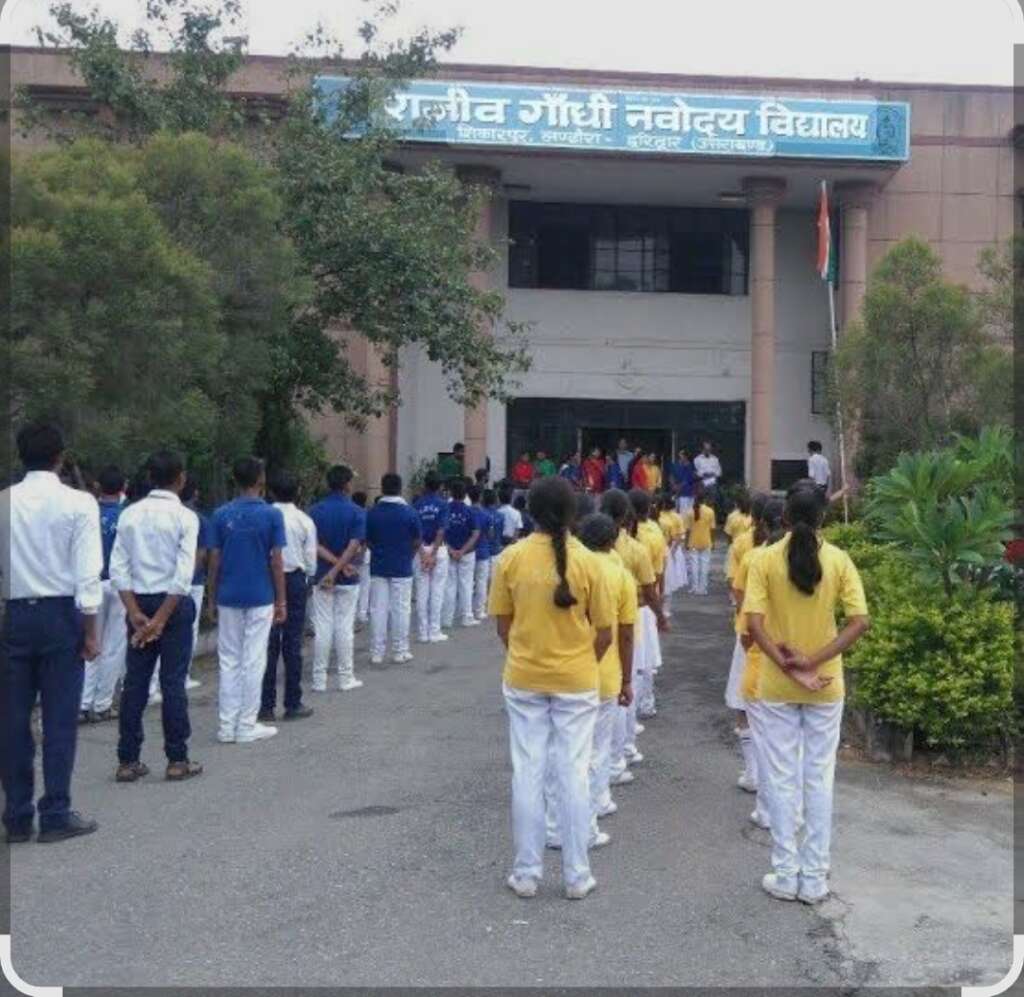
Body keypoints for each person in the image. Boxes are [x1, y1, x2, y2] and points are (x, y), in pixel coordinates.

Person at [489, 477, 615, 901]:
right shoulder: (590, 563)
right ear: (573, 513)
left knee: (528, 772)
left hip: (524, 677)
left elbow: (503, 626)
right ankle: (577, 875)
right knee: (573, 772)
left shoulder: (510, 558)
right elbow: (604, 632)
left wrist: (526, 656)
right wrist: (580, 662)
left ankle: (526, 873)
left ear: (530, 512)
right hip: (577, 680)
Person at [745, 486, 870, 905]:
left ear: (783, 517)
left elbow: (754, 625)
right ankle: (814, 878)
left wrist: (789, 666)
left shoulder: (763, 559)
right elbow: (859, 621)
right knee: (819, 779)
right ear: (823, 518)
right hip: (826, 684)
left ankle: (785, 873)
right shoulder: (839, 560)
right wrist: (813, 662)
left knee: (780, 779)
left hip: (777, 684)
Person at [1, 421, 102, 844]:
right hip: (61, 614)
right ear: (60, 457)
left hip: (15, 613)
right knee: (59, 718)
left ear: (21, 455)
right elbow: (87, 574)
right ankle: (56, 811)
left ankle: (17, 815)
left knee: (12, 719)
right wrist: (91, 630)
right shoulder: (78, 503)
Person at [110, 450, 202, 783]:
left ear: (150, 478)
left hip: (138, 602)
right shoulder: (185, 517)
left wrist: (135, 612)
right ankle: (177, 759)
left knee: (135, 682)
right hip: (172, 606)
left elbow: (118, 569)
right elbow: (183, 575)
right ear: (180, 479)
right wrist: (161, 620)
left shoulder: (129, 515)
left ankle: (127, 759)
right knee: (172, 681)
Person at [208, 457, 287, 744]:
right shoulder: (272, 515)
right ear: (260, 480)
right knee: (254, 658)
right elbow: (276, 561)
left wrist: (211, 597)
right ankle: (246, 723)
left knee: (229, 658)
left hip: (228, 594)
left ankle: (226, 725)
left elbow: (214, 560)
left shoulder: (220, 514)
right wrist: (281, 600)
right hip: (260, 594)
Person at [576, 513, 635, 844]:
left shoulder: (572, 567)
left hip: (569, 672)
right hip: (606, 671)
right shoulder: (620, 574)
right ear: (613, 541)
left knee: (570, 751)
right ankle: (595, 805)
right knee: (599, 748)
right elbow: (625, 634)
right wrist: (627, 680)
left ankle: (563, 818)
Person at [727, 497, 783, 796]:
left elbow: (738, 595)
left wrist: (747, 628)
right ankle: (771, 778)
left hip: (752, 639)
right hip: (789, 645)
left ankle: (753, 773)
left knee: (745, 705)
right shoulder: (807, 557)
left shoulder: (752, 556)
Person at [259, 470, 316, 723]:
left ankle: (265, 705)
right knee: (293, 643)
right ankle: (293, 702)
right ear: (298, 492)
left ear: (270, 491)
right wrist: (308, 579)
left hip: (267, 579)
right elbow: (310, 559)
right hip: (294, 580)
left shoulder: (264, 516)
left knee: (267, 643)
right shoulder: (304, 520)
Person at [309, 466, 366, 692]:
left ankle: (319, 679)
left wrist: (332, 568)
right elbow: (354, 545)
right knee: (344, 627)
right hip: (347, 577)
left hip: (321, 575)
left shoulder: (315, 511)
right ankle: (345, 677)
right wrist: (340, 568)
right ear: (347, 484)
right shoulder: (356, 512)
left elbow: (314, 545)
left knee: (322, 627)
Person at [80, 465, 127, 723]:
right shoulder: (127, 515)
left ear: (98, 486)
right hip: (119, 584)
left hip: (92, 583)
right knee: (114, 646)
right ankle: (103, 703)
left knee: (91, 642)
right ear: (123, 488)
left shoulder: (88, 513)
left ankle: (83, 702)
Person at [366, 473, 422, 665]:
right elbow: (417, 540)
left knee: (378, 610)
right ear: (400, 488)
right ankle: (400, 650)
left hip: (379, 566)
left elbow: (368, 540)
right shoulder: (410, 513)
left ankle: (377, 652)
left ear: (382, 488)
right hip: (402, 566)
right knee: (401, 609)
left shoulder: (372, 513)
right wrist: (408, 555)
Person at [180, 476, 210, 691]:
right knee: (189, 629)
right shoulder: (200, 519)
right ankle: (183, 674)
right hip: (193, 581)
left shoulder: (169, 515)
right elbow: (203, 553)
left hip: (166, 581)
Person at [413, 471, 450, 643]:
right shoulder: (443, 504)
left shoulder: (416, 504)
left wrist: (423, 553)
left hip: (420, 549)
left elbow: (415, 532)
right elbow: (441, 530)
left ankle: (422, 632)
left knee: (421, 591)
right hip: (438, 549)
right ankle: (434, 631)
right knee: (437, 591)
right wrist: (433, 553)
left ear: (425, 485)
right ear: (440, 486)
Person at [443, 478, 481, 629]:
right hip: (467, 553)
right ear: (465, 494)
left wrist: (451, 550)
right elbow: (475, 533)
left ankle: (447, 619)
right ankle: (466, 617)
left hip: (449, 552)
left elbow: (441, 532)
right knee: (466, 584)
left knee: (449, 585)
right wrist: (463, 550)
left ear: (451, 493)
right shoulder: (470, 511)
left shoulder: (445, 509)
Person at [472, 487, 500, 621]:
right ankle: (479, 610)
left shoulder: (468, 512)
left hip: (466, 551)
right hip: (483, 551)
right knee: (481, 582)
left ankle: (464, 610)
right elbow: (491, 535)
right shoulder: (487, 516)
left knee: (466, 583)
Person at [684, 483, 716, 596]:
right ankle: (703, 588)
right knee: (704, 566)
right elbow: (712, 529)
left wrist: (686, 542)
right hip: (706, 541)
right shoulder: (710, 511)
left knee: (693, 566)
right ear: (705, 499)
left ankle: (694, 587)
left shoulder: (689, 512)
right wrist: (713, 542)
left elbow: (687, 530)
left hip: (693, 541)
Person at [351, 491, 371, 626]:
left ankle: (352, 614)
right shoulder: (367, 515)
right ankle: (362, 614)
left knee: (353, 585)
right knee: (365, 586)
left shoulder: (351, 513)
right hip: (365, 553)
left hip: (350, 553)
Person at [694, 440, 723, 509]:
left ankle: (711, 514)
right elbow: (695, 471)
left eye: (709, 449)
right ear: (702, 449)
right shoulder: (697, 459)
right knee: (701, 503)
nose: (707, 450)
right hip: (702, 483)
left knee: (712, 503)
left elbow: (719, 472)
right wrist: (703, 474)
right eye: (706, 449)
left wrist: (713, 474)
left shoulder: (715, 459)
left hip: (712, 483)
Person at [669, 449, 697, 514]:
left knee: (688, 513)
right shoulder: (675, 465)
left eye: (683, 455)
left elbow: (692, 479)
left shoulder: (691, 466)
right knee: (677, 512)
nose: (681, 457)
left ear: (686, 457)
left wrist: (680, 486)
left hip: (689, 493)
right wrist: (674, 485)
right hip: (678, 493)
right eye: (680, 455)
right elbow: (671, 477)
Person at [496, 483, 524, 548]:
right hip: (511, 542)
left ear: (499, 500)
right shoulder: (517, 513)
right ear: (511, 499)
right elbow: (517, 530)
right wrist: (512, 545)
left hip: (499, 542)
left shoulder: (497, 512)